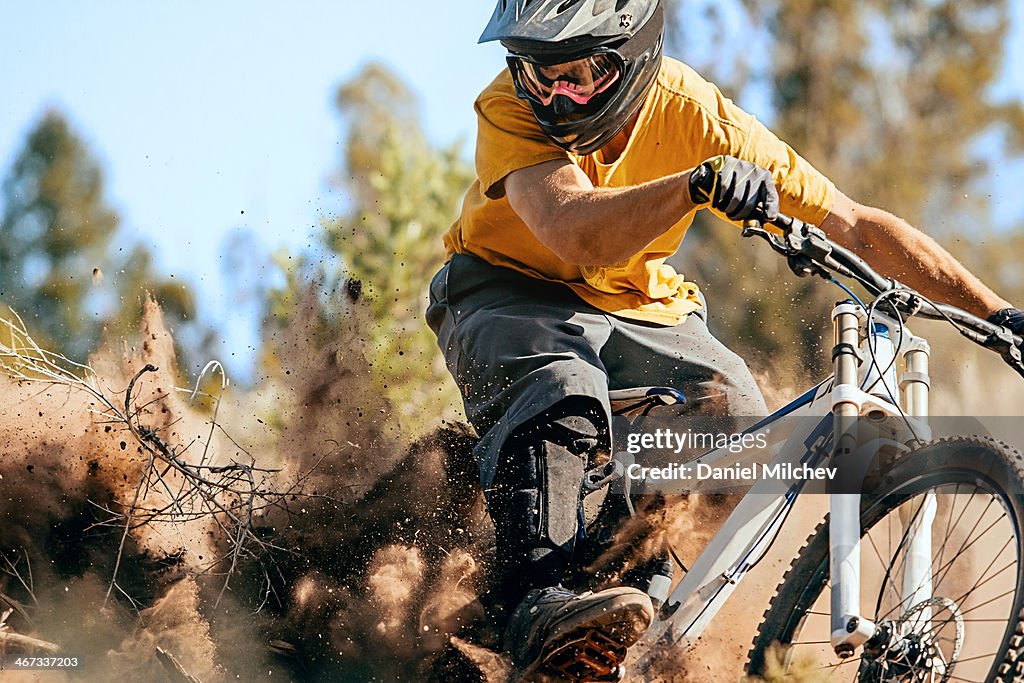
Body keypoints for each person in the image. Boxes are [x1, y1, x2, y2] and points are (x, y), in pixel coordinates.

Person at [425, 0, 1024, 679]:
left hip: (638, 303)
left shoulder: (697, 116)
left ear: (634, 56)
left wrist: (999, 316)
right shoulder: (507, 107)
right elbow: (575, 232)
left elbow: (855, 226)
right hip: (504, 289)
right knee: (562, 380)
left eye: (581, 74)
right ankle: (542, 597)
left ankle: (624, 593)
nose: (556, 95)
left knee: (735, 418)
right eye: (540, 75)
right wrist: (692, 186)